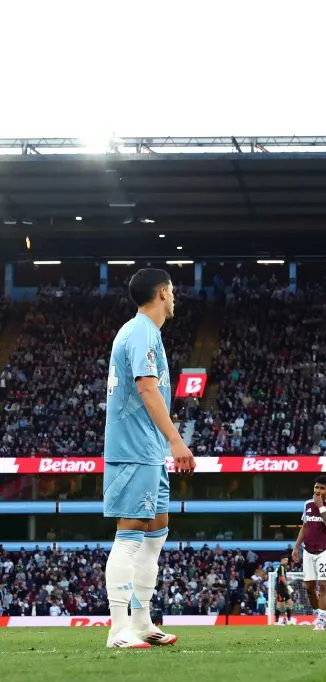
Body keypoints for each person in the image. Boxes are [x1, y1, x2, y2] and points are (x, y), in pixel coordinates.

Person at [103, 268, 195, 649]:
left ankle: (142, 622)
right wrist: (176, 441)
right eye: (172, 290)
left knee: (156, 534)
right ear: (161, 292)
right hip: (135, 450)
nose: (174, 297)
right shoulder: (141, 331)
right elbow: (146, 388)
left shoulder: (145, 332)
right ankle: (118, 629)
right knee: (129, 537)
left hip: (148, 451)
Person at [292, 475, 326, 631]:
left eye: (322, 488)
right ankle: (318, 613)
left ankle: (320, 619)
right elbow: (305, 526)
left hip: (324, 550)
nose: (318, 491)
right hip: (308, 550)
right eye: (316, 487)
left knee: (324, 584)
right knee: (309, 587)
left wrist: (321, 508)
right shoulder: (307, 504)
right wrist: (296, 548)